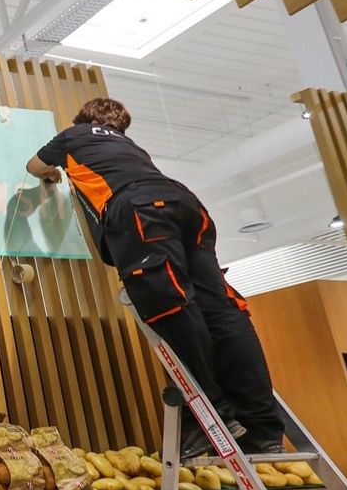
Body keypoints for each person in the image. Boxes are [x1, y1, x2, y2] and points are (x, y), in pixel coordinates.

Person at [25, 97, 286, 459]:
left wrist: (54, 173)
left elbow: (34, 165)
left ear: (81, 118)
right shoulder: (130, 146)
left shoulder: (73, 136)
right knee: (222, 310)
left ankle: (211, 416)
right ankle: (263, 429)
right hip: (187, 206)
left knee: (170, 306)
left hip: (141, 210)